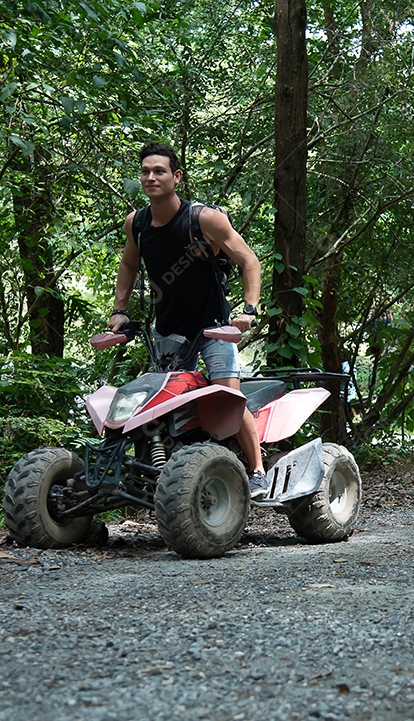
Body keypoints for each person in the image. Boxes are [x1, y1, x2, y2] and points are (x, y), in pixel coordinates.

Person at [106, 142, 270, 497]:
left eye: (159, 171)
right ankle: (167, 472)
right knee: (161, 401)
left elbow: (249, 261)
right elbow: (129, 264)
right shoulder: (137, 223)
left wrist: (249, 309)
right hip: (168, 331)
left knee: (228, 396)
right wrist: (119, 310)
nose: (151, 177)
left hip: (214, 329)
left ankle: (257, 469)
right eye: (145, 172)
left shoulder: (203, 219)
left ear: (176, 176)